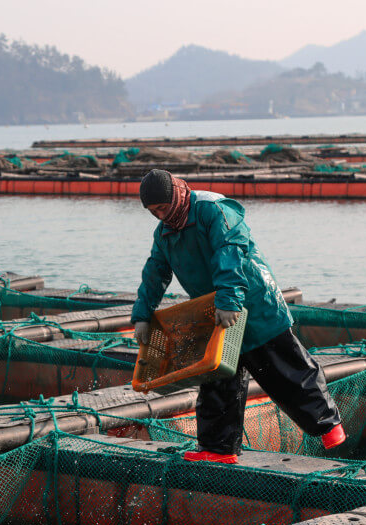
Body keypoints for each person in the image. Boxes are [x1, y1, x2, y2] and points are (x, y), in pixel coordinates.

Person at [132, 169, 344, 464]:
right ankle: (219, 449)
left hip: (255, 303)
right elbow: (155, 273)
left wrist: (229, 299)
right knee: (219, 378)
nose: (160, 215)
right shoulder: (164, 234)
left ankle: (328, 424)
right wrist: (142, 314)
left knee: (283, 367)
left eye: (162, 207)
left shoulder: (213, 209)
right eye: (152, 211)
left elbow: (230, 252)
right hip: (215, 311)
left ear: (176, 196)